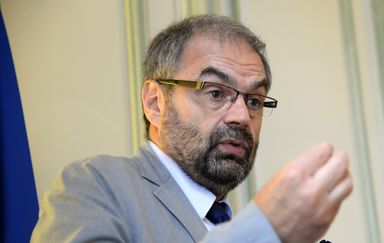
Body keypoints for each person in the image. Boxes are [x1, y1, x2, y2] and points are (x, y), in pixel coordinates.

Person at [31, 15, 352, 243]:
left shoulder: (226, 220)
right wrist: (263, 229)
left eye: (255, 100)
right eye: (215, 92)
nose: (241, 116)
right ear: (155, 103)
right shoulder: (95, 186)